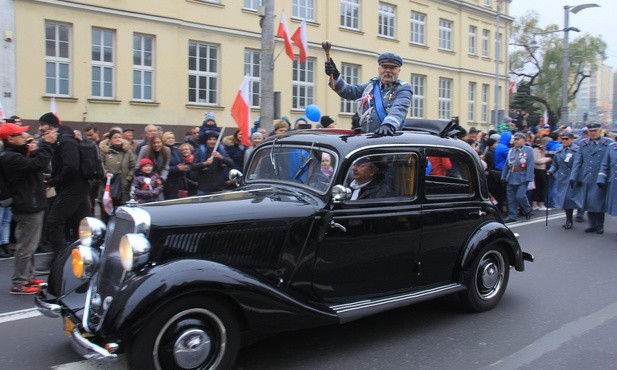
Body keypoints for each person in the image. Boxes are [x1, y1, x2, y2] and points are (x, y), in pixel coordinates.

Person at [0, 122, 57, 294]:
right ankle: (19, 282)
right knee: (26, 246)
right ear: (10, 138)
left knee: (30, 245)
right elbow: (37, 165)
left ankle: (28, 276)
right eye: (19, 135)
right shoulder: (9, 157)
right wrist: (46, 145)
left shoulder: (13, 154)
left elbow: (32, 160)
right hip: (26, 205)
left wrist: (33, 147)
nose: (24, 137)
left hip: (30, 202)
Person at [39, 112, 92, 267]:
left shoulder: (65, 140)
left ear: (52, 125)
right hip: (76, 187)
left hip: (72, 188)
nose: (41, 128)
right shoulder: (63, 139)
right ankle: (84, 256)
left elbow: (71, 166)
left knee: (54, 221)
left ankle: (60, 261)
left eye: (43, 125)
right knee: (83, 224)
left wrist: (54, 180)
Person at [325, 51, 412, 135]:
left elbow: (399, 109)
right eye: (385, 67)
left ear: (398, 71)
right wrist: (335, 76)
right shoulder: (371, 86)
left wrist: (388, 125)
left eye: (392, 68)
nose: (388, 70)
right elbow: (348, 91)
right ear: (379, 69)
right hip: (366, 138)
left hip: (388, 138)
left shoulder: (403, 89)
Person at [570, 122, 613, 234]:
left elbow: (611, 161)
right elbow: (578, 162)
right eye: (591, 131)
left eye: (595, 131)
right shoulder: (583, 143)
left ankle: (600, 225)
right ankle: (592, 224)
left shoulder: (608, 143)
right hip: (587, 176)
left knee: (598, 202)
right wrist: (573, 177)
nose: (593, 133)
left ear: (600, 131)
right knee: (588, 202)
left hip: (601, 177)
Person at [99, 129, 136, 220]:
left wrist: (128, 178)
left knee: (122, 215)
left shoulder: (128, 151)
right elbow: (100, 164)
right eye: (115, 137)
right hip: (108, 188)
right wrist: (105, 173)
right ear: (110, 140)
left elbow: (133, 165)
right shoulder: (105, 151)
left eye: (119, 137)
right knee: (107, 216)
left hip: (124, 188)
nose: (117, 139)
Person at [547, 132, 580, 229]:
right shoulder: (559, 150)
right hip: (562, 178)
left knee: (573, 199)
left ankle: (580, 214)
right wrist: (551, 171)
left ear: (571, 139)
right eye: (563, 139)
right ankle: (569, 220)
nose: (564, 141)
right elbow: (555, 164)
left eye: (567, 139)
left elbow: (579, 165)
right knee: (565, 200)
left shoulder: (577, 150)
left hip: (573, 178)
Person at [501, 132, 535, 223]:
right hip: (511, 176)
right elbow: (507, 165)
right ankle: (512, 215)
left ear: (523, 140)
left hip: (522, 177)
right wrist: (503, 176)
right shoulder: (511, 150)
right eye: (514, 139)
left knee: (520, 196)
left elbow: (530, 164)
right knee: (511, 198)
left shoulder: (528, 150)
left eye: (517, 139)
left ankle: (527, 209)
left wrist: (529, 178)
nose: (515, 141)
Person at [192, 131, 234, 195]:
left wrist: (221, 157)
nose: (212, 141)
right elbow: (192, 166)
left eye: (214, 139)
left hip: (219, 188)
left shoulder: (222, 152)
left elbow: (231, 164)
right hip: (203, 188)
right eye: (210, 139)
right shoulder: (199, 152)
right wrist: (204, 163)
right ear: (206, 141)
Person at [531, 136, 552, 211]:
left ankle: (538, 204)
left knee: (540, 187)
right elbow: (537, 160)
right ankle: (537, 204)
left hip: (541, 169)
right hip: (538, 169)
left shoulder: (540, 149)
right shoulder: (536, 149)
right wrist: (547, 159)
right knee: (539, 187)